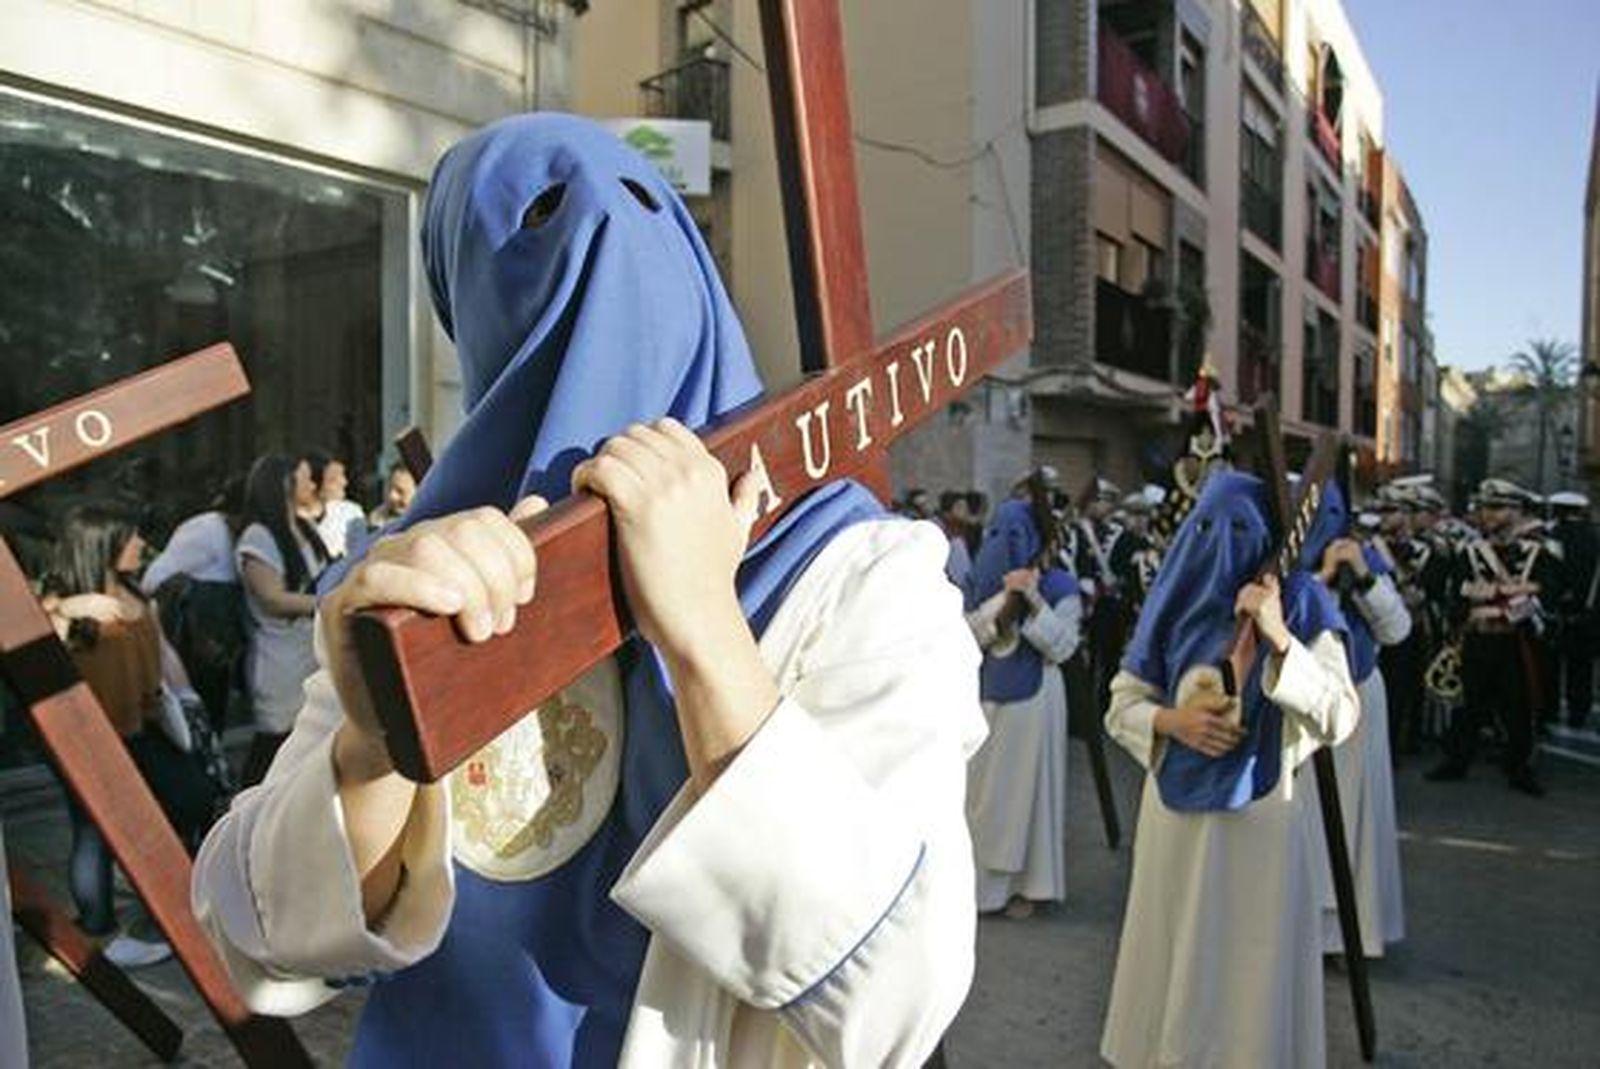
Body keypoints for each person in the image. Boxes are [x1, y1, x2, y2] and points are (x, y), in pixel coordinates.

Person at [192, 113, 985, 1068]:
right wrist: (370, 748)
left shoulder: (859, 572)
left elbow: (897, 1001)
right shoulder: (425, 573)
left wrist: (704, 633)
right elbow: (258, 944)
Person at [1100, 470, 1358, 1069]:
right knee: (1176, 956)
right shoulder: (1174, 601)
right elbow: (1122, 705)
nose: (1222, 542)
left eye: (1241, 529)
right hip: (1175, 825)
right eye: (1208, 527)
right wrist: (1171, 723)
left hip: (1261, 826)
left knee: (1249, 972)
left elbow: (1342, 714)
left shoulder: (1300, 600)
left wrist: (1280, 640)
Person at [43, 504, 221, 968]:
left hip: (145, 726)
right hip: (90, 741)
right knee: (92, 832)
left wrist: (188, 699)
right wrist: (68, 609)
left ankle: (168, 909)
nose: (141, 543)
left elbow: (161, 652)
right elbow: (35, 643)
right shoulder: (59, 604)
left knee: (189, 798)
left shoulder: (134, 590)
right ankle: (96, 929)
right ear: (102, 546)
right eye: (131, 537)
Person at [1302, 483, 1411, 958]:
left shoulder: (1368, 558)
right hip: (1302, 702)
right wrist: (1320, 580)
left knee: (1356, 818)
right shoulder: (1283, 565)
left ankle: (1352, 935)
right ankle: (1303, 928)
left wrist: (1363, 576)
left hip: (1360, 694)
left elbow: (1396, 629)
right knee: (1304, 821)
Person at [963, 482, 1082, 918]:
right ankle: (979, 889)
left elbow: (1065, 647)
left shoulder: (1060, 584)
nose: (1002, 546)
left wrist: (1032, 601)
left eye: (1014, 536)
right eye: (996, 534)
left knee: (1027, 799)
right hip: (985, 699)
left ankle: (1025, 888)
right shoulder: (981, 581)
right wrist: (1001, 607)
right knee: (980, 797)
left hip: (1037, 702)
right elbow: (966, 636)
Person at [1428, 479, 1559, 796]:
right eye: (1485, 507)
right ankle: (1456, 761)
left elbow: (1549, 594)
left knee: (1520, 706)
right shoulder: (1469, 552)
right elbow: (1457, 593)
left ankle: (1520, 768)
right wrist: (1514, 591)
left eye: (1497, 508)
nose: (1488, 514)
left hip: (1517, 642)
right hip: (1478, 639)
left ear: (1517, 511)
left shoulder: (1539, 553)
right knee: (1467, 703)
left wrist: (1496, 597)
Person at [235, 454, 330, 786]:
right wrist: (325, 602)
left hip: (307, 655)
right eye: (304, 478)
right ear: (284, 484)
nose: (312, 484)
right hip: (278, 662)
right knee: (271, 754)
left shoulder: (302, 527)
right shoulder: (258, 536)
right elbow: (272, 598)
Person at [141, 474, 248, 734]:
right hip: (196, 641)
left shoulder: (242, 535)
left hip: (222, 645)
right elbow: (154, 579)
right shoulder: (207, 531)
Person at [1547, 492, 1596, 730]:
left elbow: (1553, 571)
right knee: (1582, 666)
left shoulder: (1555, 536)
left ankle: (1551, 710)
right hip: (1589, 609)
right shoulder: (1596, 536)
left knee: (1552, 663)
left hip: (1559, 610)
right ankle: (1579, 712)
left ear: (1558, 510)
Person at [306, 449, 368, 559]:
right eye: (333, 479)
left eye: (343, 475)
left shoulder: (351, 512)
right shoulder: (297, 513)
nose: (344, 482)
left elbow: (360, 554)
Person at [936, 490, 974, 588]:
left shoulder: (960, 531)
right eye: (960, 507)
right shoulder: (940, 532)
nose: (965, 511)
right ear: (947, 511)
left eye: (966, 508)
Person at [368, 461, 418, 528]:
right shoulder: (378, 518)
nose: (392, 496)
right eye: (389, 488)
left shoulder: (429, 522)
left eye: (400, 491)